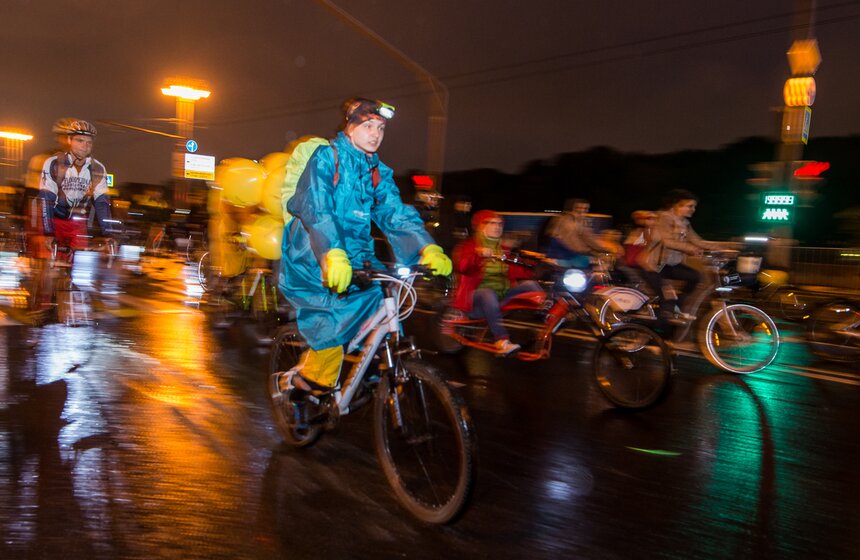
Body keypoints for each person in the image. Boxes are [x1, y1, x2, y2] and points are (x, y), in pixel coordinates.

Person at [277, 98, 452, 394]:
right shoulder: (326, 157)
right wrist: (332, 253)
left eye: (381, 128)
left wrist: (426, 247)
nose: (375, 134)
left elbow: (394, 212)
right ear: (350, 126)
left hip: (356, 256)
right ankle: (296, 381)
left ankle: (371, 367)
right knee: (330, 317)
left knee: (383, 298)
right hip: (312, 254)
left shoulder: (376, 171)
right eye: (368, 125)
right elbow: (317, 207)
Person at [451, 210, 541, 355]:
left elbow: (518, 272)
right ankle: (502, 341)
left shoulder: (503, 249)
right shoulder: (469, 246)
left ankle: (546, 322)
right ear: (481, 226)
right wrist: (478, 255)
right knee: (488, 293)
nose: (497, 227)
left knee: (531, 286)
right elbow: (463, 267)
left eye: (500, 224)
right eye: (492, 223)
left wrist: (532, 261)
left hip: (500, 295)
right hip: (476, 299)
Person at [37, 119, 114, 257]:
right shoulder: (54, 164)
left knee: (77, 264)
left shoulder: (97, 168)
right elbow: (46, 199)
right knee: (51, 263)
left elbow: (102, 203)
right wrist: (48, 233)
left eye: (89, 142)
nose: (85, 146)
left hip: (78, 224)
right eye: (80, 141)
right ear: (69, 140)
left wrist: (108, 233)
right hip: (55, 220)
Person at [649, 189, 714, 318]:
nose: (693, 209)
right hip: (655, 266)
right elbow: (667, 241)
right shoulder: (665, 218)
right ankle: (659, 329)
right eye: (690, 206)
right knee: (667, 301)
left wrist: (727, 247)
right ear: (677, 205)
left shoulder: (685, 223)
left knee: (695, 276)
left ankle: (677, 306)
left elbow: (698, 241)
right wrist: (688, 248)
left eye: (694, 206)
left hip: (671, 265)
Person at [545, 198, 611, 268]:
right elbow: (571, 240)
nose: (582, 210)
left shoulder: (580, 221)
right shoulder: (564, 220)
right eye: (579, 208)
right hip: (560, 254)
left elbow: (588, 237)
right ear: (571, 208)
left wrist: (604, 249)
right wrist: (590, 252)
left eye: (585, 208)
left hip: (572, 254)